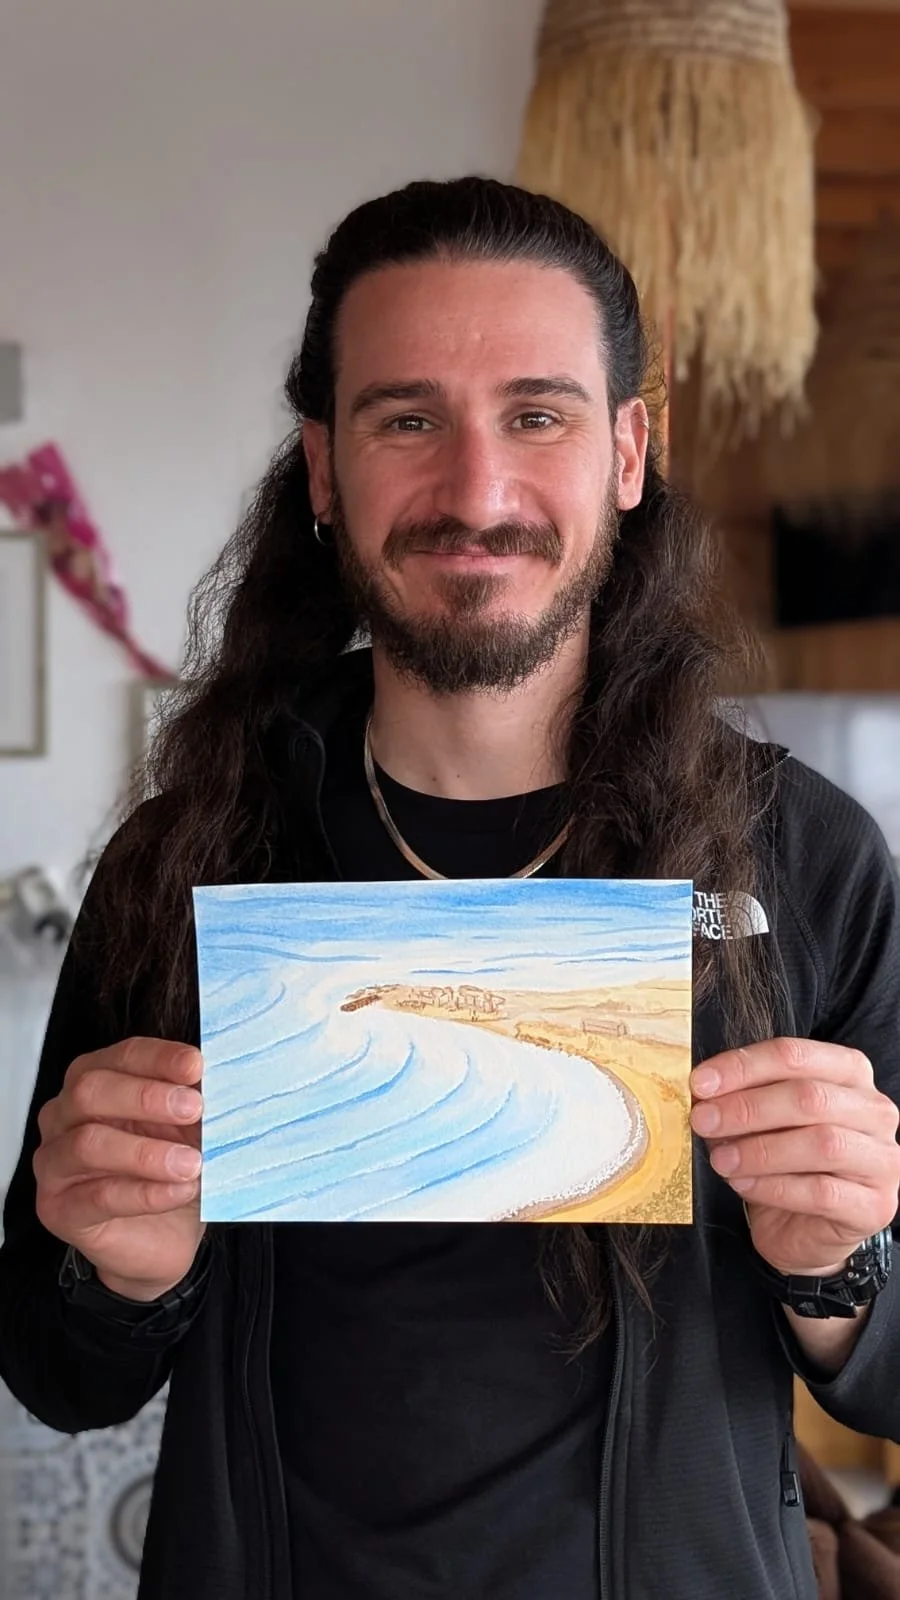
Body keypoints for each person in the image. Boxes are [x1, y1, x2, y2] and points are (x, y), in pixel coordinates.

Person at [0, 177, 898, 1600]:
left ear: (625, 452)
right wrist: (119, 1274)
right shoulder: (188, 861)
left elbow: (887, 1388)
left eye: (536, 415)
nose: (476, 492)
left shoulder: (808, 856)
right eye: (407, 419)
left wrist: (840, 1270)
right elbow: (56, 1376)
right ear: (322, 466)